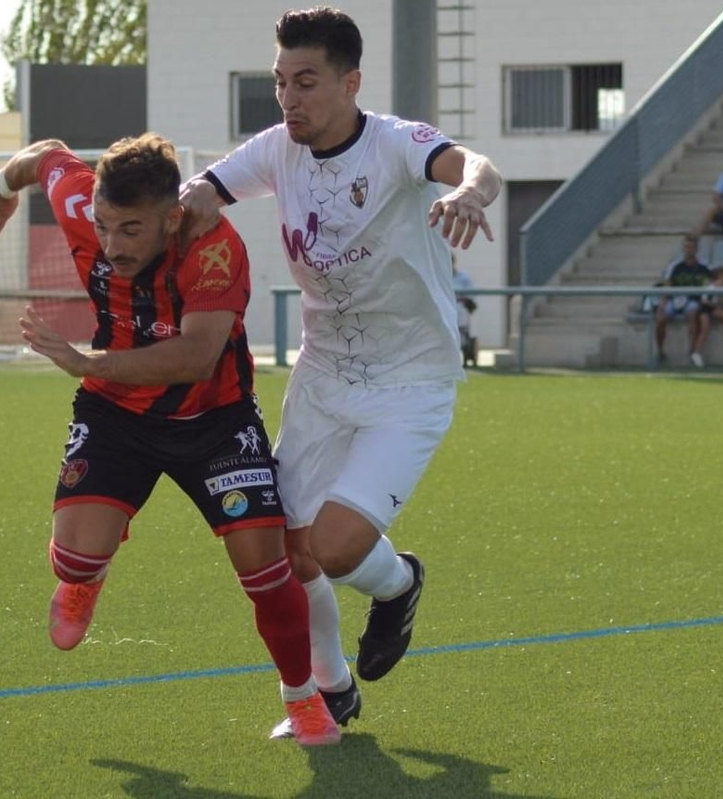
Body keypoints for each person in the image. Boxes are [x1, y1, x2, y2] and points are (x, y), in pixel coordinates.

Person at [179, 7, 503, 741]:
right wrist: (187, 204)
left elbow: (475, 164)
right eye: (280, 82)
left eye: (307, 82)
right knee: (288, 550)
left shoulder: (394, 145)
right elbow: (206, 187)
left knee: (332, 548)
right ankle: (331, 692)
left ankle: (400, 582)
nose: (289, 99)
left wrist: (468, 193)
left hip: (409, 383)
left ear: (350, 82)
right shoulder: (276, 149)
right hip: (323, 378)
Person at [0, 134, 342, 746]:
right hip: (117, 416)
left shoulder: (213, 246)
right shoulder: (83, 203)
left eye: (131, 231)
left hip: (215, 421)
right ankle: (86, 577)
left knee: (266, 571)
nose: (112, 247)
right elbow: (45, 155)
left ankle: (304, 701)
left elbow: (194, 358)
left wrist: (88, 364)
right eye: (105, 227)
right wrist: (6, 188)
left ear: (172, 219)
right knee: (73, 556)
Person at [652, 234, 721, 367]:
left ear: (696, 249)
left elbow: (710, 284)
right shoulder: (675, 266)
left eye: (691, 247)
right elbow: (667, 285)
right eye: (686, 247)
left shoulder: (704, 267)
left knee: (692, 313)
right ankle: (660, 351)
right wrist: (663, 303)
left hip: (693, 301)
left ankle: (691, 351)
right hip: (675, 300)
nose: (688, 249)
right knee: (660, 318)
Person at [452, 260, 478, 367]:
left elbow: (470, 296)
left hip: (459, 308)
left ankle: (465, 353)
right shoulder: (436, 276)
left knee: (460, 313)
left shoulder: (464, 278)